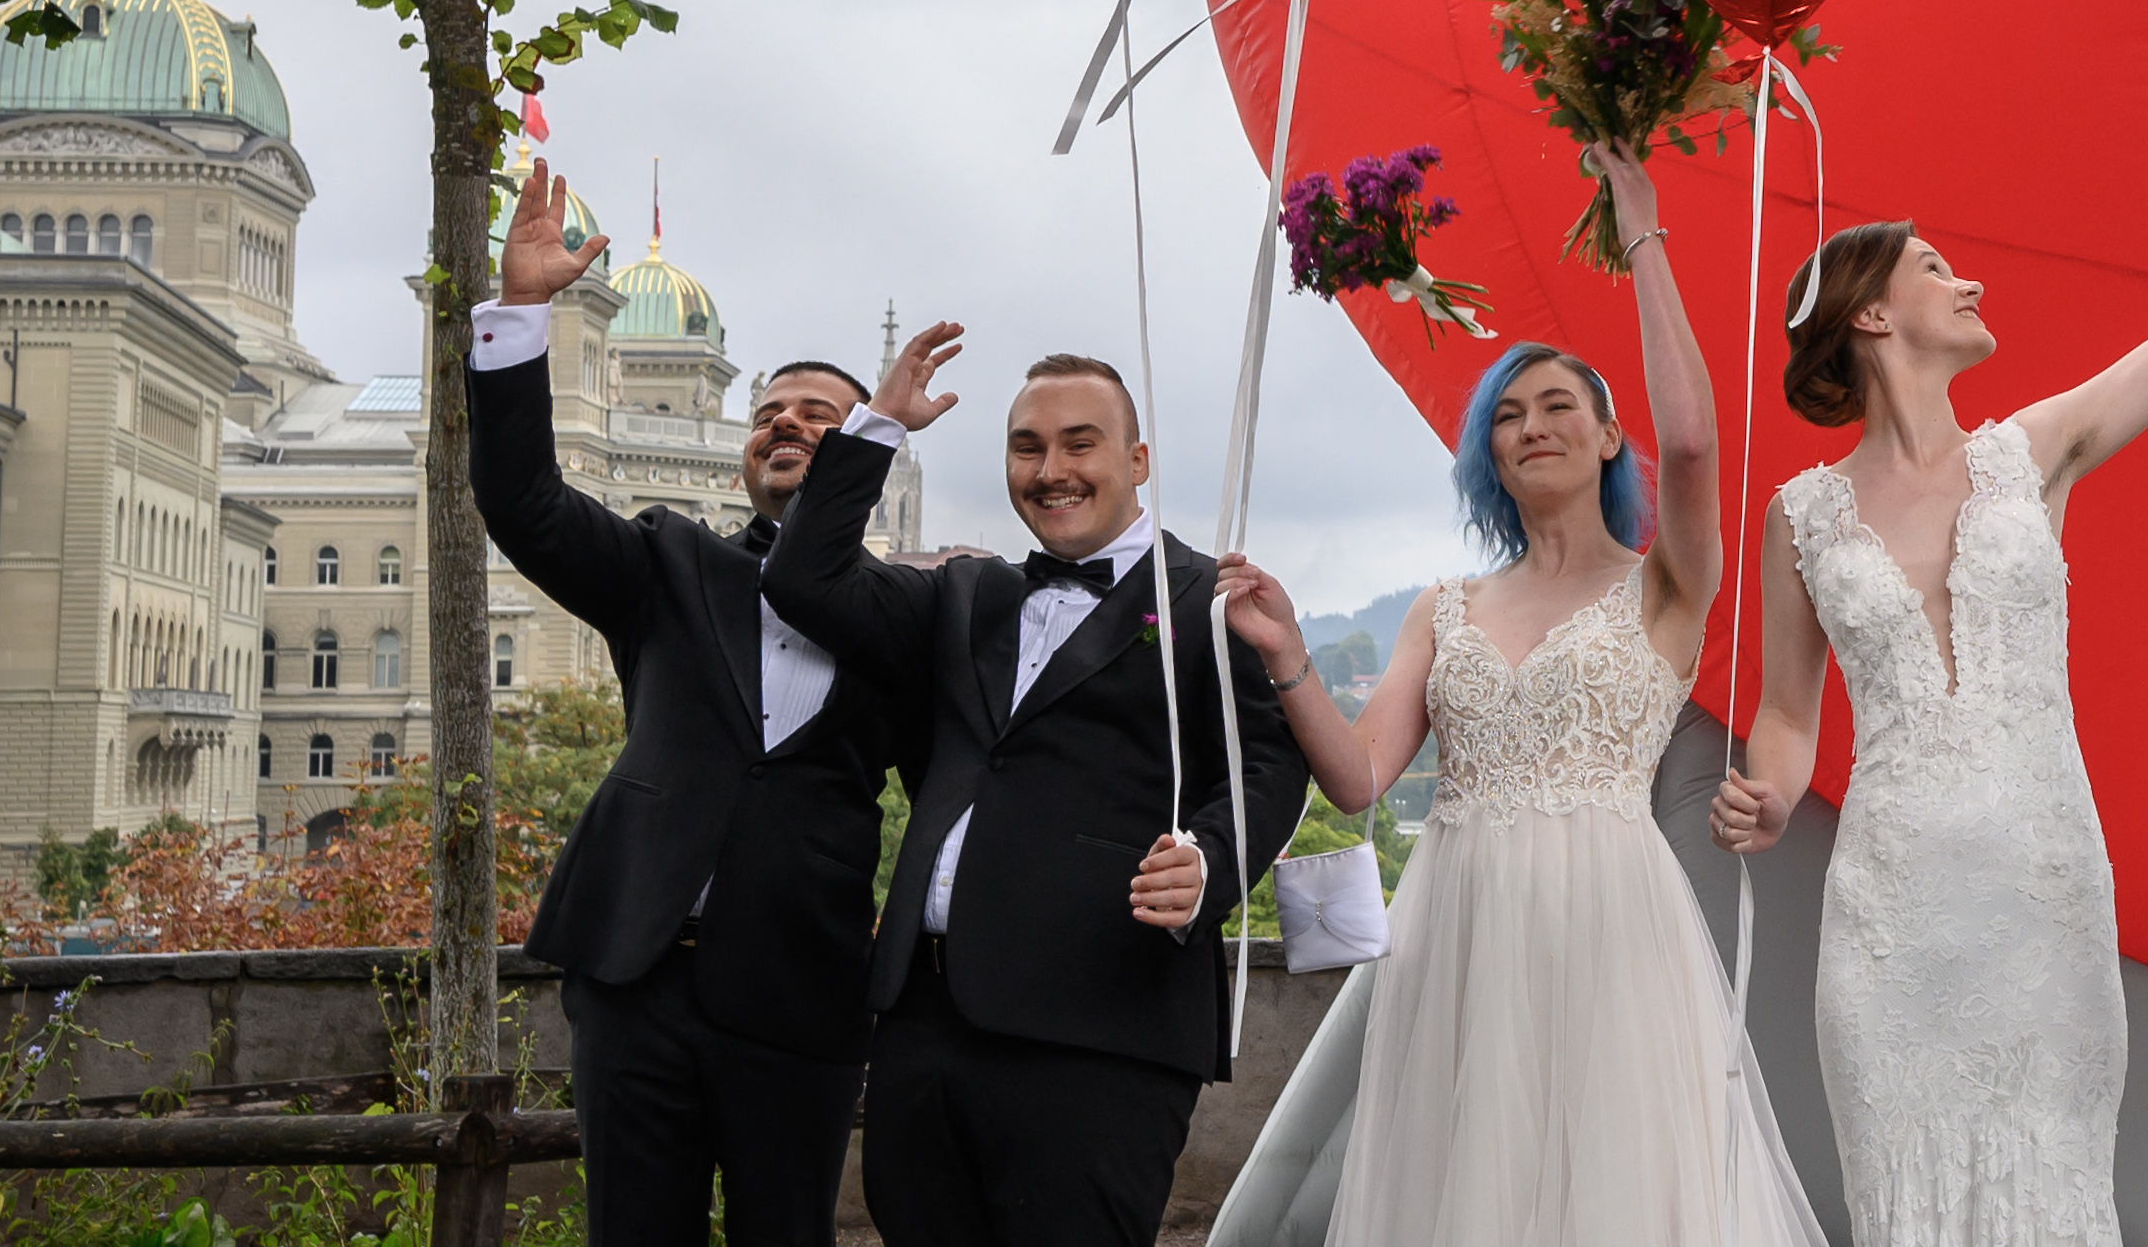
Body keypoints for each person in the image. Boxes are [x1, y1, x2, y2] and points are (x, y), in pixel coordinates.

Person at [1705, 183, 2148, 1246]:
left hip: (2039, 891)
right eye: (1934, 266)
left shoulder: (2030, 449)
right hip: (1891, 913)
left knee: (2049, 1188)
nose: (1969, 279)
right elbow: (1784, 710)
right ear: (1869, 313)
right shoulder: (1798, 516)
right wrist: (1768, 796)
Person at [1297, 142, 1826, 1247]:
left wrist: (1640, 228)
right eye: (1506, 413)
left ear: (1606, 435)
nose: (1531, 424)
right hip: (1458, 922)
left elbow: (1693, 442)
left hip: (1611, 919)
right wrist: (1280, 654)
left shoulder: (1664, 587)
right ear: (1486, 450)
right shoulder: (1438, 607)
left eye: (1555, 405)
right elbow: (1354, 781)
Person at [760, 323, 1361, 1247]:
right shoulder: (963, 591)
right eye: (1027, 447)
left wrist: (1208, 867)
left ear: (1138, 458)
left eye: (1080, 444)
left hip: (1104, 1030)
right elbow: (802, 578)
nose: (1052, 470)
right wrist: (878, 424)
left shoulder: (1211, 598)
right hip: (924, 1023)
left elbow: (1268, 767)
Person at [467, 161, 923, 1247]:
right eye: (769, 412)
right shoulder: (664, 564)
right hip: (634, 984)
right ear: (739, 457)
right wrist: (522, 311)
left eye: (821, 415)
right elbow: (522, 501)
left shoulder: (912, 614)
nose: (785, 424)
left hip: (799, 996)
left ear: (870, 451)